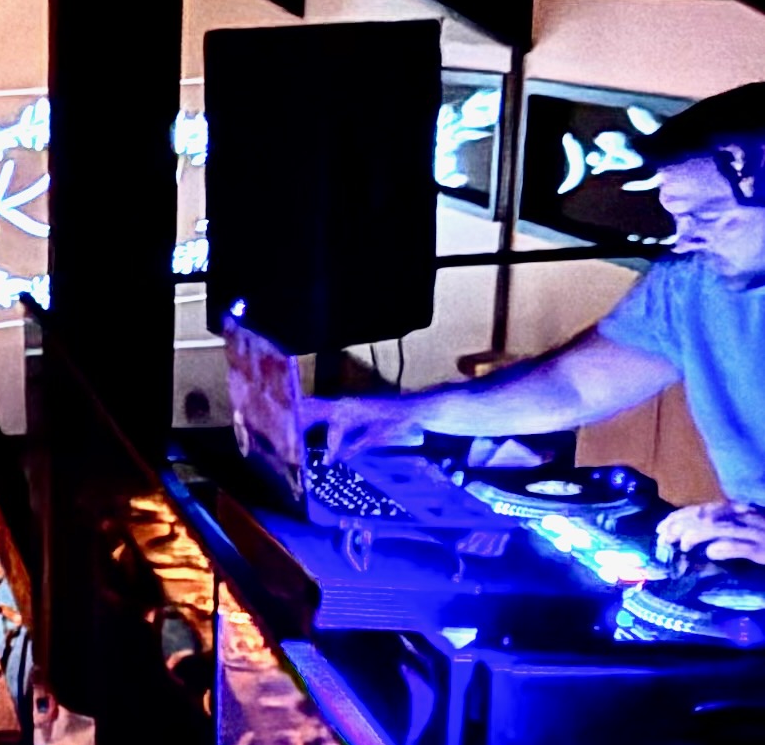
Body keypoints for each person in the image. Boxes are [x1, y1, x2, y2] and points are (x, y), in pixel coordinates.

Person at [322, 82, 765, 566]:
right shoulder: (692, 285)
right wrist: (409, 412)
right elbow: (573, 387)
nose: (683, 240)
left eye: (709, 216)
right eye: (678, 217)